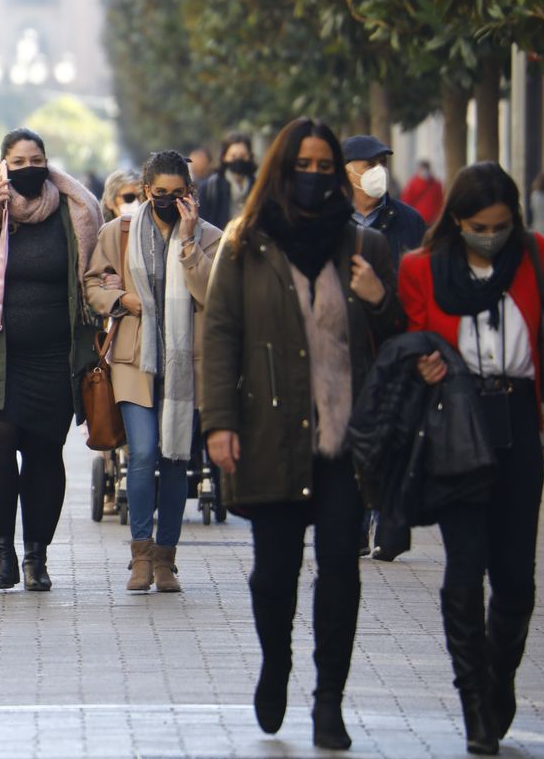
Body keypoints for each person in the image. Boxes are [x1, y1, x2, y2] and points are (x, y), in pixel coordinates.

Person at [201, 117, 402, 751]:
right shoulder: (245, 244)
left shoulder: (363, 248)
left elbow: (399, 339)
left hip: (345, 438)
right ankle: (276, 662)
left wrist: (379, 300)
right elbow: (221, 337)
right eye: (303, 167)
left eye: (325, 166)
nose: (315, 178)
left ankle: (328, 703)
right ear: (281, 173)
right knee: (274, 574)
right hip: (270, 431)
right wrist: (220, 425)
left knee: (342, 569)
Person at [398, 162, 544, 755]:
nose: (492, 234)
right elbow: (407, 341)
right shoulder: (421, 268)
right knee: (464, 572)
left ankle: (499, 678)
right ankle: (474, 707)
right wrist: (422, 362)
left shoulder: (535, 256)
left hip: (517, 424)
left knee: (515, 579)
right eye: (480, 226)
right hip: (454, 422)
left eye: (502, 224)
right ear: (457, 220)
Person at [0, 128, 102, 592]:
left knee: (45, 452)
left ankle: (36, 558)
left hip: (52, 357)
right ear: (2, 164)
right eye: (19, 161)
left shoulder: (73, 209)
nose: (30, 168)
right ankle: (2, 552)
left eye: (37, 159)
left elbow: (95, 269)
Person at [85, 150, 225, 593]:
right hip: (133, 361)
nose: (167, 200)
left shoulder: (209, 238)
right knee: (143, 454)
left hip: (187, 365)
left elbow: (212, 295)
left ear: (191, 194)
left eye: (177, 193)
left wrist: (186, 243)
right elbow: (91, 284)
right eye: (159, 193)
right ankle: (140, 555)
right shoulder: (119, 232)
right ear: (146, 192)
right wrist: (118, 301)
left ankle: (167, 559)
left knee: (175, 460)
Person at [342, 134, 427, 560]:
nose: (377, 170)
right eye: (367, 163)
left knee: (395, 435)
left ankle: (392, 528)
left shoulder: (408, 222)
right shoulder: (330, 220)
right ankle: (355, 526)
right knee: (355, 435)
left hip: (394, 340)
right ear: (347, 172)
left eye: (381, 161)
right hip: (347, 344)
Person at [344, 135, 427, 260]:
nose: (380, 171)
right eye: (370, 165)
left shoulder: (411, 220)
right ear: (346, 173)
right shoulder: (328, 219)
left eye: (383, 163)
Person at [197, 132, 255, 228]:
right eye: (233, 156)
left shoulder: (257, 186)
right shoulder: (210, 187)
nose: (238, 160)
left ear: (249, 156)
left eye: (243, 155)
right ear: (224, 157)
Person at [401, 159, 445, 224]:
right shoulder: (413, 184)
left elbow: (439, 202)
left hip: (432, 221)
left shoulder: (436, 185)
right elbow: (406, 202)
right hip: (417, 219)